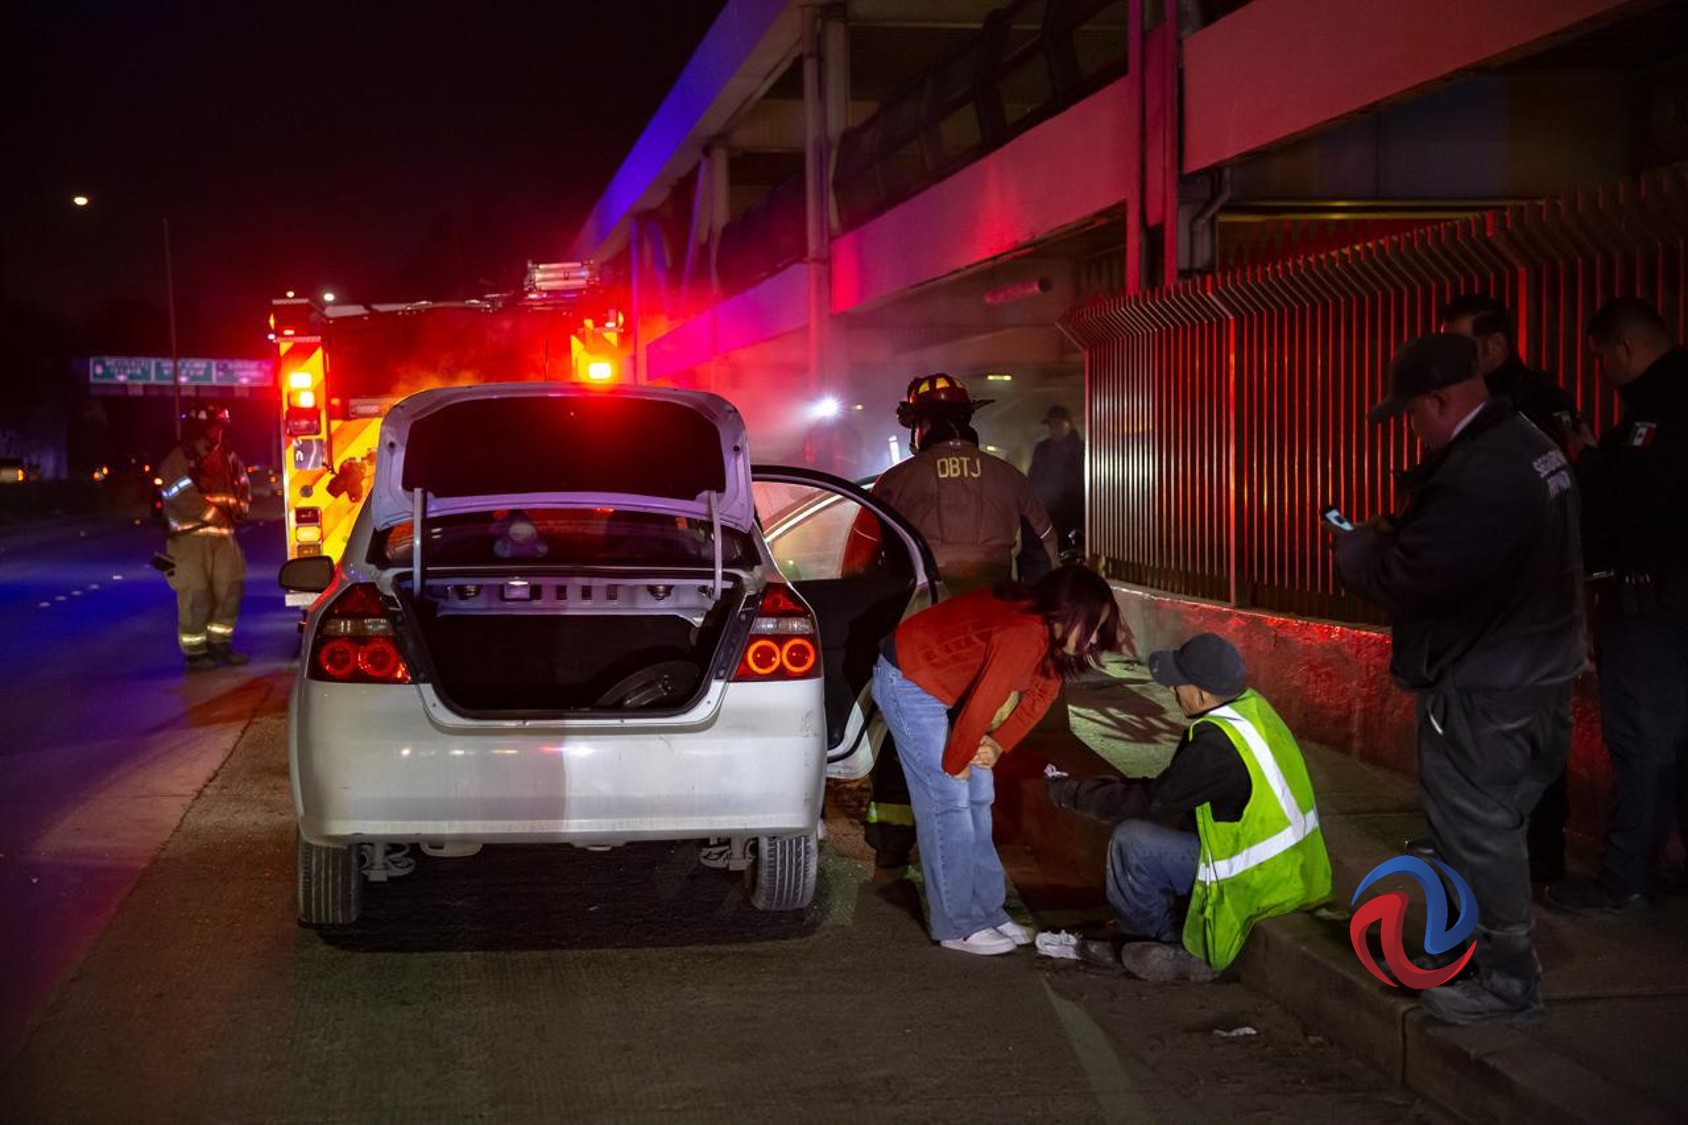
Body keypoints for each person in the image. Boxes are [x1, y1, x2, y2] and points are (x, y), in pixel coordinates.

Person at [1332, 333, 1584, 1027]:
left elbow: (1406, 577)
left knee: (1478, 832)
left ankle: (1506, 980)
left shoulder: (1479, 472)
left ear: (1440, 400)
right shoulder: (1529, 442)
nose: (1413, 429)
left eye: (1414, 414)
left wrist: (1357, 548)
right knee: (1499, 825)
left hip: (1484, 685)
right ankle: (1480, 953)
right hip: (1539, 673)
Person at [844, 373, 1060, 869]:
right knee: (980, 727)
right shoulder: (1011, 479)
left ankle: (895, 844)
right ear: (968, 420)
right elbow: (1044, 562)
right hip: (996, 638)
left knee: (903, 737)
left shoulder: (896, 481)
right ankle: (979, 839)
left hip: (922, 639)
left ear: (919, 427)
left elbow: (856, 569)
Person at [1045, 633, 1330, 981]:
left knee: (1132, 841)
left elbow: (1151, 802)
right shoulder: (1252, 711)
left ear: (1202, 694)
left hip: (1258, 883)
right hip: (1296, 871)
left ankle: (1161, 943)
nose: (1172, 691)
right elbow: (1174, 794)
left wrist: (1071, 794)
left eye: (1179, 685)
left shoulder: (1217, 747)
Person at [870, 565, 1123, 955]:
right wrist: (957, 762)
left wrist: (999, 744)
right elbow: (983, 705)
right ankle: (956, 925)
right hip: (909, 680)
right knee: (948, 802)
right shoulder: (1023, 633)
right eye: (1089, 626)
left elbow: (1040, 698)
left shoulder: (1048, 637)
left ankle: (986, 911)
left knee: (978, 796)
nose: (1091, 640)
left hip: (949, 691)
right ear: (1064, 612)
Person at [1549, 298, 1688, 916]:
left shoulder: (1657, 415)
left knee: (1642, 741)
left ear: (1625, 349)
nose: (1601, 371)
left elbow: (1630, 500)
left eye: (1601, 358)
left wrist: (1587, 457)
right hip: (1671, 603)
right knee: (1676, 741)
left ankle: (1626, 879)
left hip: (1651, 604)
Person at [1438, 293, 1582, 883]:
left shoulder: (1523, 411)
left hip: (1520, 609)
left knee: (1519, 745)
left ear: (1494, 346)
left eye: (1463, 347)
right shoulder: (1507, 408)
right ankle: (1521, 858)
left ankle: (1531, 859)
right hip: (1528, 609)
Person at [159, 405, 251, 671]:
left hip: (224, 537)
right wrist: (212, 514)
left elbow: (242, 487)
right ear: (200, 429)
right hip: (190, 539)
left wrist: (239, 511)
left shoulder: (229, 458)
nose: (217, 432)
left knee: (230, 589)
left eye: (221, 427)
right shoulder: (180, 458)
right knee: (196, 594)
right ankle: (195, 652)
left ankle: (220, 645)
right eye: (213, 427)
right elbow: (180, 495)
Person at [1028, 403, 1084, 560]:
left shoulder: (1081, 450)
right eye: (1051, 425)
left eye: (1058, 424)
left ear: (1068, 425)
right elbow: (1034, 478)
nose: (1054, 428)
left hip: (1075, 514)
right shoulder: (1043, 449)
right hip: (1049, 514)